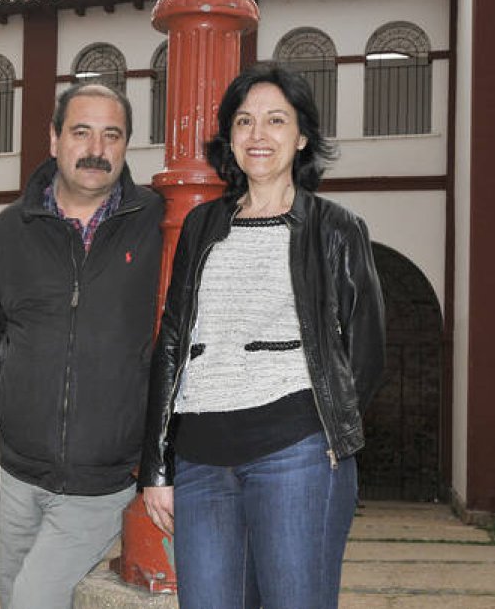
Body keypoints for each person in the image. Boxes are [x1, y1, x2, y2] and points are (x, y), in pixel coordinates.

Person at [139, 65, 386, 608]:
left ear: (301, 137)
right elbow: (174, 341)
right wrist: (156, 467)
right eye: (244, 121)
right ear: (229, 136)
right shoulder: (202, 226)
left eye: (276, 120)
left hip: (295, 454)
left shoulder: (335, 228)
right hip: (202, 458)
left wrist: (326, 435)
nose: (258, 135)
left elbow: (365, 352)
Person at [0, 83, 164, 609]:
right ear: (54, 138)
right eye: (81, 132)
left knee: (33, 601)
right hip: (19, 471)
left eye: (112, 135)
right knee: (13, 595)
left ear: (128, 146)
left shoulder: (158, 224)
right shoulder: (9, 230)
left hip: (101, 479)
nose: (96, 150)